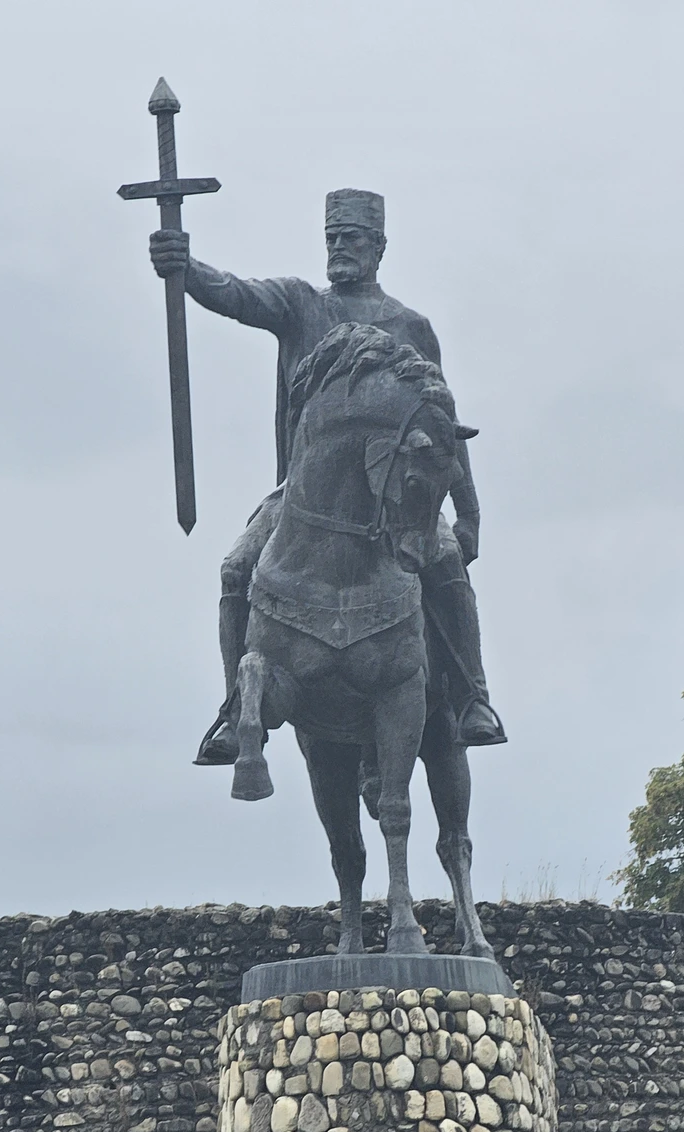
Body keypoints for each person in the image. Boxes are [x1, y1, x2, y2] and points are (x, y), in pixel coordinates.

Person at [149, 188, 505, 761]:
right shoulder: (298, 303)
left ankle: (471, 698)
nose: (340, 247)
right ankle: (234, 711)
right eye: (332, 238)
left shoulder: (412, 326)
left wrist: (468, 514)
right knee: (236, 567)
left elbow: (442, 426)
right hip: (299, 496)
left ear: (379, 247)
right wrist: (184, 266)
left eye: (353, 238)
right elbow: (235, 294)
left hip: (397, 494)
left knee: (442, 560)